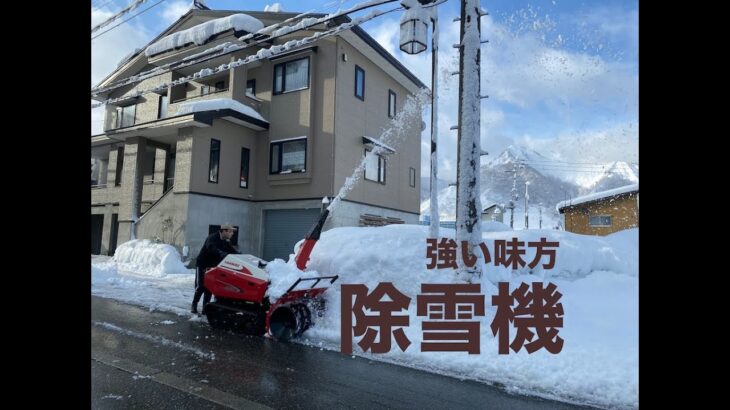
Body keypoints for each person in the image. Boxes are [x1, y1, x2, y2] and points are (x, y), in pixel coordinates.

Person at [191, 223, 239, 314]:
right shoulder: (212, 238)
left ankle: (205, 308)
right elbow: (212, 249)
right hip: (202, 264)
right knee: (201, 286)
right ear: (224, 231)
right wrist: (223, 254)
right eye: (230, 231)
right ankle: (194, 304)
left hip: (213, 265)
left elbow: (233, 251)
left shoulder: (226, 241)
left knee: (209, 287)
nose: (232, 233)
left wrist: (241, 256)